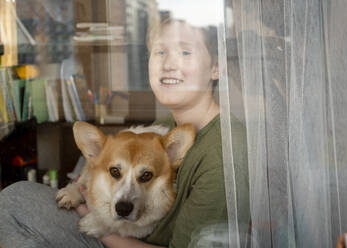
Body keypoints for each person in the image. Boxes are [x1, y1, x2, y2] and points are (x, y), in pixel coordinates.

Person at [0, 18, 233, 248]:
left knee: (12, 207)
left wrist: (94, 223)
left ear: (216, 67)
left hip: (119, 239)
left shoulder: (222, 156)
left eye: (185, 52)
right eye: (160, 52)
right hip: (115, 227)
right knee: (14, 198)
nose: (169, 64)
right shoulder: (166, 124)